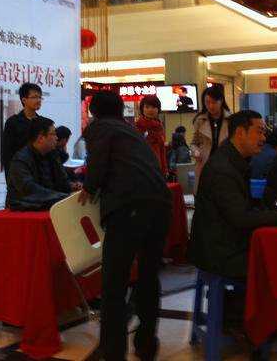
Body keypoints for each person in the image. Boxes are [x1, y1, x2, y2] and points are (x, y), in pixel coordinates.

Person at [188, 110, 277, 330]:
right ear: (240, 133)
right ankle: (251, 323)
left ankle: (254, 320)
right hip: (217, 252)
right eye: (259, 132)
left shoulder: (235, 160)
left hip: (226, 242)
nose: (264, 137)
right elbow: (241, 218)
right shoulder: (223, 168)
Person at [78, 91, 172, 361]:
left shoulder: (99, 128)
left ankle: (113, 353)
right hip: (161, 205)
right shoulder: (131, 130)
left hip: (129, 208)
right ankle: (146, 345)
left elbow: (97, 164)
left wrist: (89, 186)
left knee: (113, 287)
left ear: (94, 113)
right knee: (148, 279)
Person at [5, 117, 82, 211]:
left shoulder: (53, 155)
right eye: (53, 134)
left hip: (50, 206)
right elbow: (30, 189)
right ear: (41, 138)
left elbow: (62, 181)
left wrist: (72, 186)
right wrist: (64, 196)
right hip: (23, 209)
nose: (56, 138)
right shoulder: (20, 159)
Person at [191, 85, 232, 194]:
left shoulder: (231, 120)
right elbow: (194, 143)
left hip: (225, 166)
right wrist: (195, 151)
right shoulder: (200, 120)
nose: (210, 106)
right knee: (205, 196)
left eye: (213, 102)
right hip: (205, 164)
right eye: (207, 103)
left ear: (221, 101)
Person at [2, 82, 44, 178]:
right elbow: (8, 154)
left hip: (40, 175)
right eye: (35, 97)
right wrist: (10, 180)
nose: (38, 100)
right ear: (24, 99)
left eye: (40, 97)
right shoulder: (13, 123)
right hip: (20, 174)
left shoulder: (43, 123)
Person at [133, 95, 168, 176]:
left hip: (157, 168)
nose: (150, 110)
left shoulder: (159, 126)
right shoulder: (136, 127)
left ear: (158, 109)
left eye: (154, 107)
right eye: (147, 107)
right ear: (142, 109)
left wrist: (165, 169)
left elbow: (161, 148)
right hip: (141, 168)